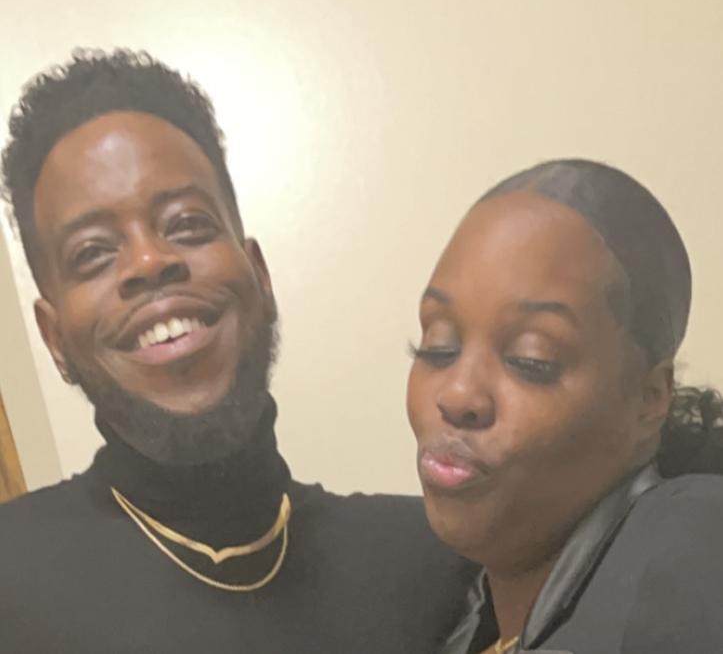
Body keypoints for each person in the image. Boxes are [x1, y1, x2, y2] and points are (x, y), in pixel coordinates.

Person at [0, 49, 472, 653]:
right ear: (55, 338)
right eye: (92, 253)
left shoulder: (434, 564)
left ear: (259, 275)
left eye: (187, 224)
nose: (150, 261)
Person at [406, 159, 723, 654]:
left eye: (531, 360)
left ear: (649, 398)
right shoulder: (459, 615)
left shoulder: (694, 543)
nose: (458, 394)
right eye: (439, 346)